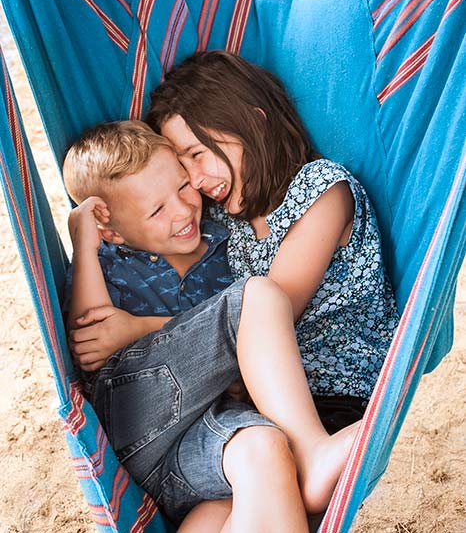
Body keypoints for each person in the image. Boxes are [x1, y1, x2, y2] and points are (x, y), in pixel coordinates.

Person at [63, 119, 358, 533]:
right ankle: (312, 450)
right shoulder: (110, 260)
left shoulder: (225, 242)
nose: (183, 210)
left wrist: (138, 327)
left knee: (265, 453)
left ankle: (290, 462)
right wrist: (86, 246)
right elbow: (92, 341)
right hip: (137, 418)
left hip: (193, 455)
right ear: (109, 228)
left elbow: (245, 348)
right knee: (259, 296)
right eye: (156, 209)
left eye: (183, 187)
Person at [147, 49, 400, 437]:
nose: (195, 180)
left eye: (198, 155)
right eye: (185, 167)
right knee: (219, 494)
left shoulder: (323, 191)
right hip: (258, 408)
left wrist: (135, 329)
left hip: (337, 402)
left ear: (254, 124)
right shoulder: (228, 216)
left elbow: (271, 311)